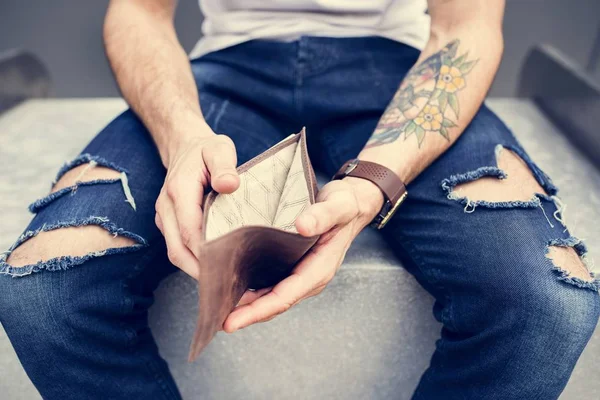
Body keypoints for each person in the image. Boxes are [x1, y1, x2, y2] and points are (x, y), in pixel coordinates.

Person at [1, 0, 598, 399]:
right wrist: (183, 139)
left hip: (400, 68)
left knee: (544, 301)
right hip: (225, 72)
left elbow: (464, 26)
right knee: (44, 288)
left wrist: (374, 182)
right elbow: (138, 11)